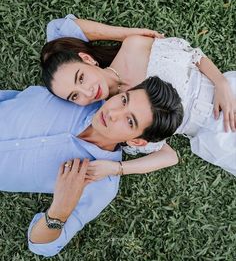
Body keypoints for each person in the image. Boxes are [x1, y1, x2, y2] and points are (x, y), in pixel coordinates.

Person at [0, 76, 183, 256]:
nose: (112, 113)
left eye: (129, 121)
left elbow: (40, 245)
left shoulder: (101, 185)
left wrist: (60, 211)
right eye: (124, 100)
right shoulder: (83, 90)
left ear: (136, 141)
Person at [41, 14, 236, 176]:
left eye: (81, 78)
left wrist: (221, 84)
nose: (87, 92)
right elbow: (169, 156)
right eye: (74, 96)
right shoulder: (115, 118)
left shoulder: (132, 46)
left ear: (87, 59)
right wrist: (118, 169)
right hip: (217, 134)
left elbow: (195, 57)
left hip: (226, 90)